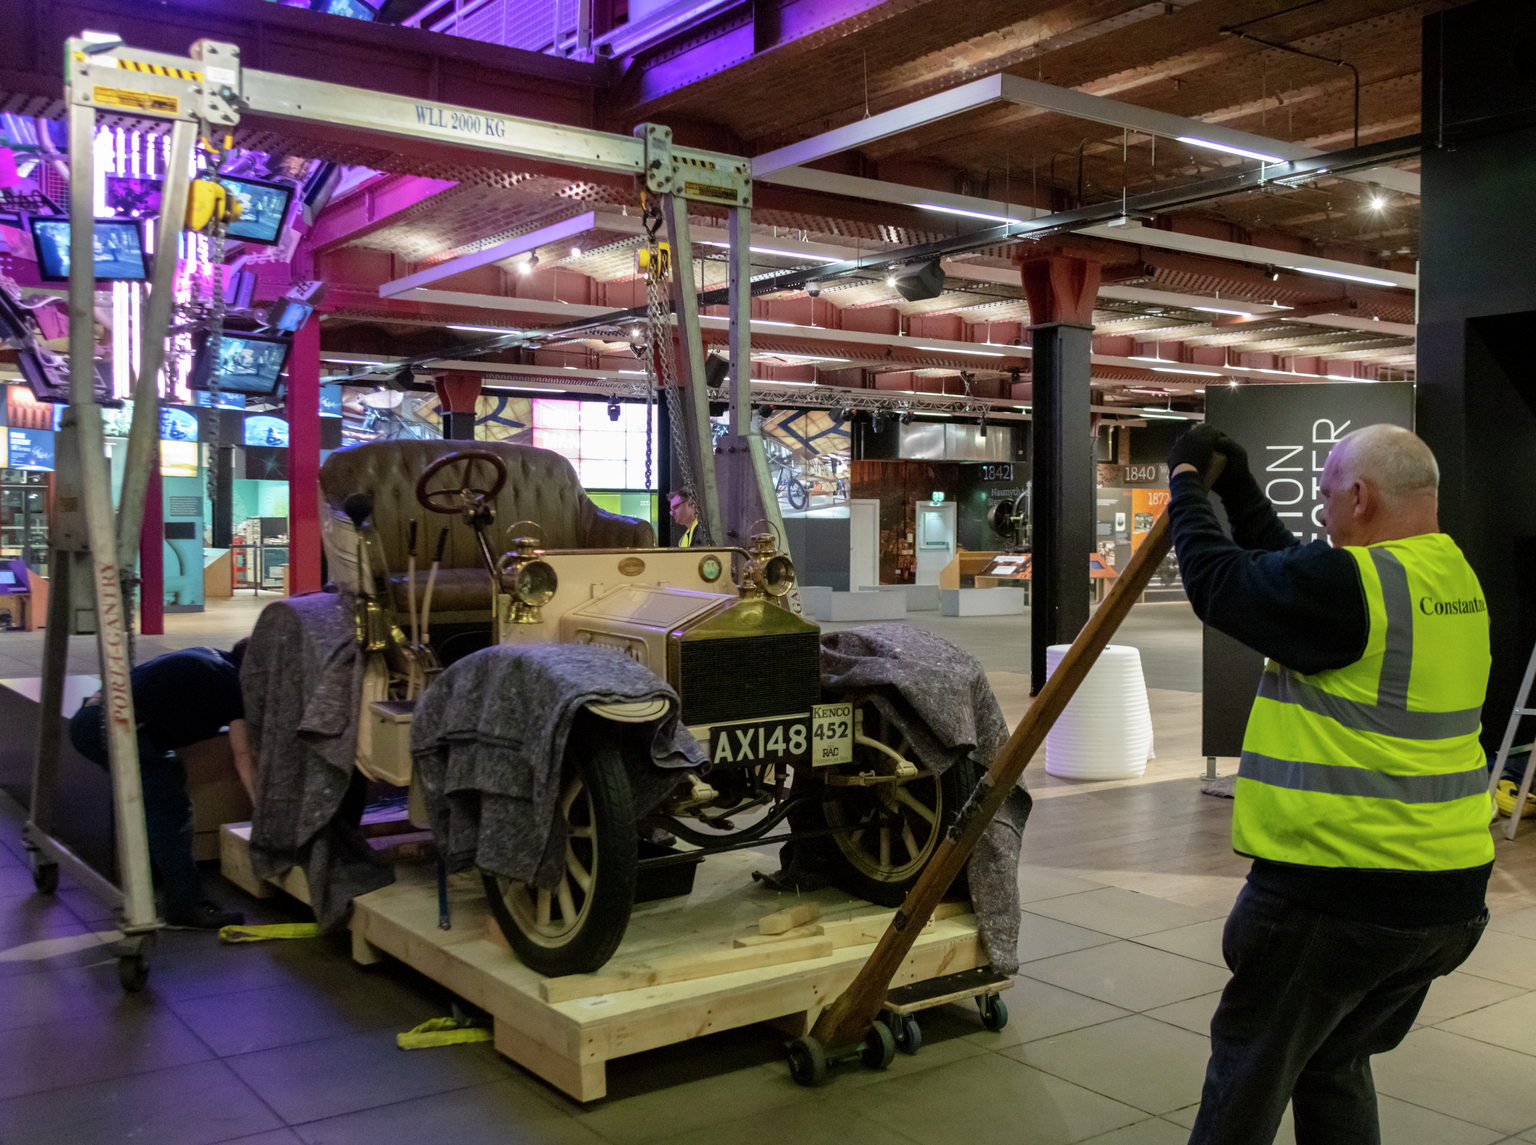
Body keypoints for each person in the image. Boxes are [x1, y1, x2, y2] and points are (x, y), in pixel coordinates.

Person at [1165, 423, 1492, 1145]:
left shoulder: (1353, 587)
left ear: (1361, 496)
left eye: (1325, 496)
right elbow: (1290, 572)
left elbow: (1219, 583)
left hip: (1337, 895)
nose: (1319, 512)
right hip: (1447, 900)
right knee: (1332, 1060)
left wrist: (1186, 482)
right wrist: (1242, 486)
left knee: (1247, 1074)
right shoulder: (1450, 577)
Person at [69, 644, 256, 930]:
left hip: (94, 718)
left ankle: (158, 874)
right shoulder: (232, 684)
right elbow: (243, 757)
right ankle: (185, 905)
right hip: (116, 728)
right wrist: (262, 809)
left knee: (170, 773)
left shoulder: (210, 656)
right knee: (170, 810)